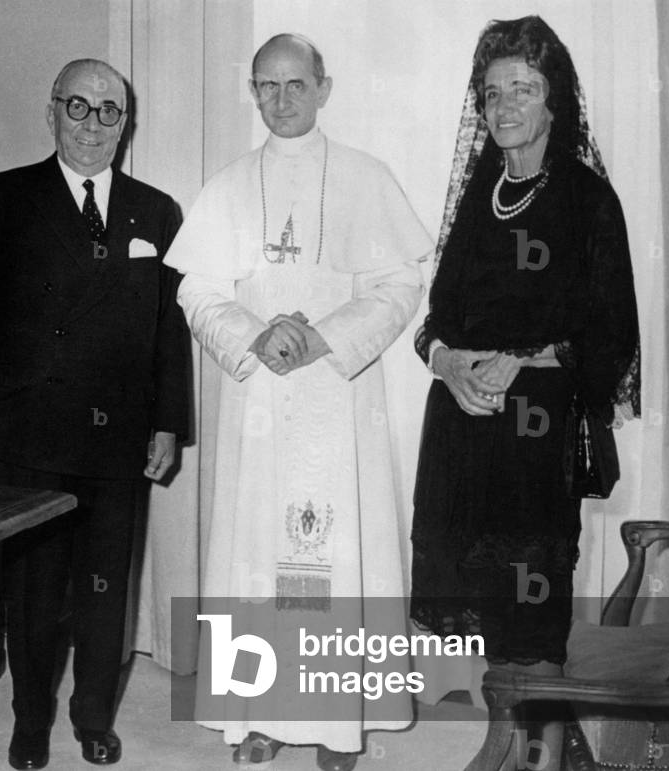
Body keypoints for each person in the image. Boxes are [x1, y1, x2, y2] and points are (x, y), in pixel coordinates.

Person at [164, 34, 431, 771]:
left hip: (334, 403)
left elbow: (397, 285)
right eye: (265, 86)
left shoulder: (362, 177)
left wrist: (323, 339)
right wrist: (255, 335)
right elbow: (196, 287)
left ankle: (337, 727)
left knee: (331, 567)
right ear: (252, 92)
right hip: (260, 408)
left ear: (323, 87)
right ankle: (263, 717)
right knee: (259, 563)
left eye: (294, 85)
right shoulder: (227, 184)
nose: (279, 100)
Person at [0, 59, 189, 769]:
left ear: (125, 123)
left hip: (121, 433)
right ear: (52, 112)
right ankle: (30, 721)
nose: (93, 124)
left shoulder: (156, 211)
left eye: (110, 111)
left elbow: (170, 329)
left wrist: (168, 422)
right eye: (79, 107)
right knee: (34, 591)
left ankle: (94, 717)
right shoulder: (5, 196)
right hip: (28, 426)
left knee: (107, 590)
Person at [409, 16, 640, 771]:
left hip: (533, 434)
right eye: (493, 90)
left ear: (554, 101)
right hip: (462, 427)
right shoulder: (480, 193)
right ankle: (505, 731)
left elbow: (610, 334)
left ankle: (538, 745)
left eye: (524, 88)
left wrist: (523, 357)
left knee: (530, 594)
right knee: (480, 589)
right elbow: (435, 316)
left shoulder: (585, 198)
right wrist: (446, 361)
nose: (505, 104)